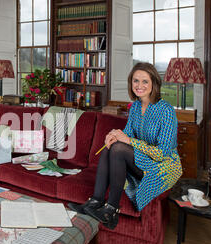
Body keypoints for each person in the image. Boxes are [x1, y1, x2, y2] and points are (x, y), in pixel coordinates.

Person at [68, 62, 182, 229]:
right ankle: (95, 201)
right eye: (136, 81)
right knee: (112, 146)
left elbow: (162, 153)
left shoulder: (166, 110)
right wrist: (113, 134)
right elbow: (127, 133)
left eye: (145, 81)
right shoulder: (135, 106)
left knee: (119, 148)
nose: (139, 85)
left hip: (164, 167)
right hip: (144, 160)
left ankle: (111, 210)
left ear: (154, 84)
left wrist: (128, 141)